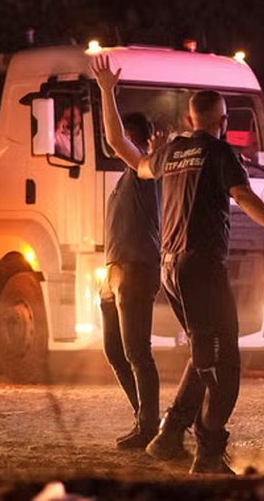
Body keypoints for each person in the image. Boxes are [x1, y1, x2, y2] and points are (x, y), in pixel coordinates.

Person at [92, 55, 264, 476]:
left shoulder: (171, 153)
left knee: (202, 349)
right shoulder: (218, 152)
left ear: (190, 117)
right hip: (202, 267)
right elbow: (245, 199)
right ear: (221, 119)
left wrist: (106, 91)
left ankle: (170, 433)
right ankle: (208, 452)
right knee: (225, 362)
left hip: (170, 268)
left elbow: (122, 148)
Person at [89, 91, 163, 450]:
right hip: (115, 271)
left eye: (127, 138)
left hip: (135, 268)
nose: (120, 144)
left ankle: (150, 425)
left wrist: (106, 90)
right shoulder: (125, 179)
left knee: (136, 350)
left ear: (137, 141)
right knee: (115, 351)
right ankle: (147, 419)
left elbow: (114, 139)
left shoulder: (145, 171)